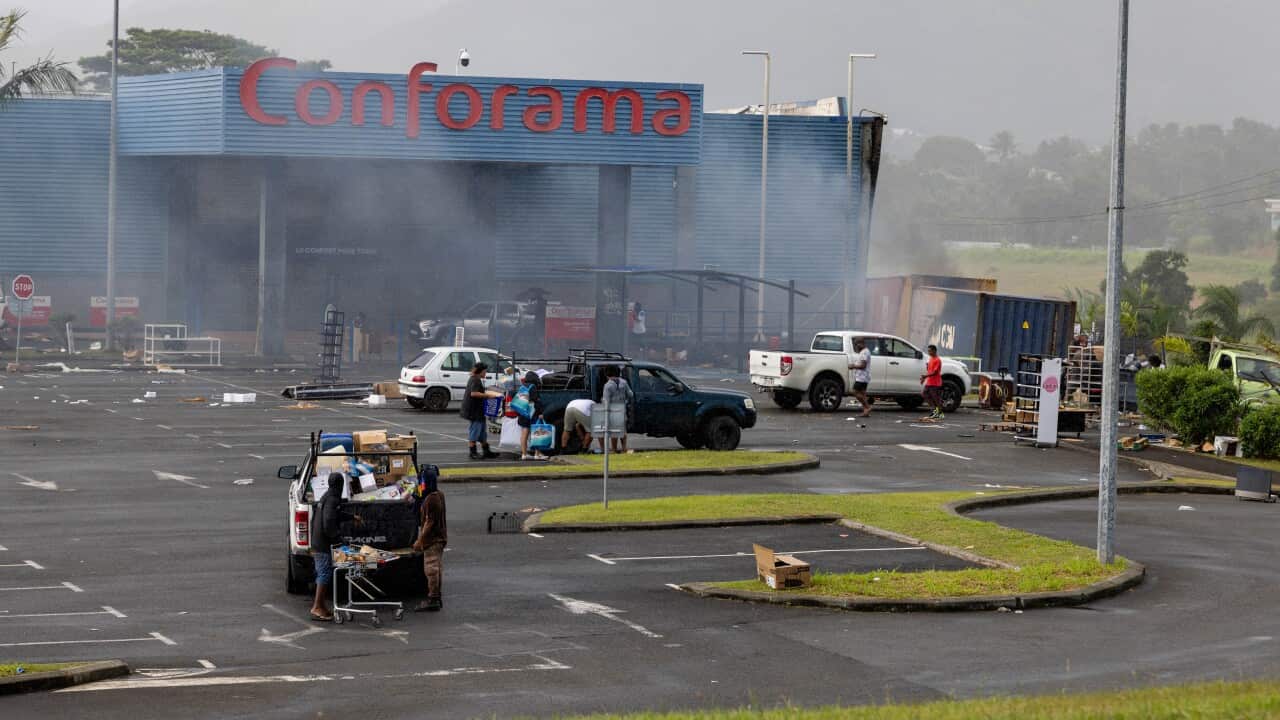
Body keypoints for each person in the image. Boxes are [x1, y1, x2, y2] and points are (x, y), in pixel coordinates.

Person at [309, 472, 354, 622]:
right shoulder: (333, 499)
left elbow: (336, 514)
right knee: (325, 574)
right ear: (340, 485)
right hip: (322, 544)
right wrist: (339, 540)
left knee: (324, 572)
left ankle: (320, 606)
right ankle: (317, 607)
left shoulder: (327, 496)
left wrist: (352, 517)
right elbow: (328, 522)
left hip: (317, 541)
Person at [411, 471, 447, 612]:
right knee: (437, 568)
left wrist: (420, 541)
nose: (421, 485)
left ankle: (433, 599)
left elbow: (429, 523)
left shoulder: (431, 499)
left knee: (431, 570)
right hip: (439, 538)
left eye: (422, 482)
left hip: (433, 540)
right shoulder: (438, 494)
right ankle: (436, 597)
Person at [461, 362, 502, 460]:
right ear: (481, 371)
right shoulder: (475, 380)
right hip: (474, 410)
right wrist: (488, 395)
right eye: (485, 371)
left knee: (482, 431)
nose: (486, 373)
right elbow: (474, 393)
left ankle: (486, 451)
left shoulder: (475, 379)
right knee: (475, 431)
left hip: (478, 410)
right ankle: (472, 452)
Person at [600, 365, 634, 453]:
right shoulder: (624, 382)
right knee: (623, 430)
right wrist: (625, 400)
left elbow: (606, 401)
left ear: (607, 374)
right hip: (622, 409)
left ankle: (614, 450)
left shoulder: (607, 386)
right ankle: (624, 448)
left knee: (614, 431)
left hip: (612, 411)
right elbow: (631, 394)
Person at [518, 371, 550, 461]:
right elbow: (537, 401)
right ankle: (537, 454)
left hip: (523, 413)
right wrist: (540, 413)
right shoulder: (533, 387)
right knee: (537, 432)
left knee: (524, 434)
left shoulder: (522, 386)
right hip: (532, 414)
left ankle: (524, 454)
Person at [848, 338, 872, 417]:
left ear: (861, 343)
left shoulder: (864, 352)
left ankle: (867, 407)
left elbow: (863, 365)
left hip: (862, 377)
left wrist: (853, 366)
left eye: (856, 344)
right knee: (863, 394)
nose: (856, 346)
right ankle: (866, 411)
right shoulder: (864, 351)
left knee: (855, 391)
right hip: (863, 377)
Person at [920, 344, 945, 420]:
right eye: (928, 351)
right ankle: (935, 410)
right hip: (929, 382)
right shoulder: (931, 359)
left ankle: (940, 413)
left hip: (935, 383)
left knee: (936, 398)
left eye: (930, 351)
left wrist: (925, 376)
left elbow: (935, 372)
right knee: (924, 394)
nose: (929, 352)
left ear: (934, 351)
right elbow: (929, 370)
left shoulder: (937, 360)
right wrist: (924, 378)